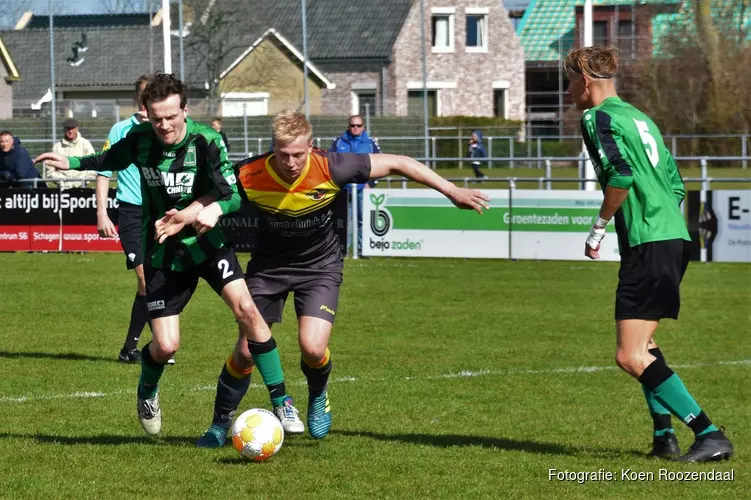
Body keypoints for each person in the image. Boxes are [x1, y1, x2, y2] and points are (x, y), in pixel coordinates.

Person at [155, 109, 490, 444]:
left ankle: (318, 396)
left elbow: (400, 162)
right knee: (244, 350)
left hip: (320, 268)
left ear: (311, 146)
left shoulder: (332, 166)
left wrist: (451, 190)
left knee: (313, 349)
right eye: (283, 154)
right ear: (273, 147)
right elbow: (214, 196)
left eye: (298, 154)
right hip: (269, 268)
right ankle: (218, 425)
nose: (290, 162)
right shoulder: (251, 173)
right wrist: (185, 216)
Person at [35, 73, 300, 441]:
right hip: (163, 249)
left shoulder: (207, 140)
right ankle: (146, 391)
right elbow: (111, 157)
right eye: (157, 117)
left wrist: (212, 210)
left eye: (171, 117)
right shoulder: (140, 140)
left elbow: (233, 193)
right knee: (165, 345)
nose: (164, 125)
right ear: (146, 113)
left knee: (248, 311)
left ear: (185, 110)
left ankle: (282, 400)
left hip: (207, 244)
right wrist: (72, 165)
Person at [566, 45, 734, 463]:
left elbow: (619, 175)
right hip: (674, 236)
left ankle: (708, 432)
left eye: (570, 82)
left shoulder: (595, 116)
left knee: (629, 354)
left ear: (585, 82)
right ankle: (663, 437)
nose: (570, 92)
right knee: (646, 344)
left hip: (649, 241)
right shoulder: (640, 117)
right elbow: (676, 183)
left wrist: (599, 227)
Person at [96, 75, 166, 364]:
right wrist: (102, 212)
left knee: (156, 281)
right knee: (145, 279)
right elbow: (103, 171)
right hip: (131, 211)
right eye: (147, 96)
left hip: (160, 212)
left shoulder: (165, 129)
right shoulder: (121, 129)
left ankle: (132, 348)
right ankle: (161, 342)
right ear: (140, 99)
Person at [329, 115, 380, 257]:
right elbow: (330, 163)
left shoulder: (371, 143)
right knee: (344, 221)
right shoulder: (338, 142)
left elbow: (380, 163)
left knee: (362, 219)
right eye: (352, 125)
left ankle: (362, 250)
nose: (355, 128)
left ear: (363, 126)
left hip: (361, 189)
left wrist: (370, 183)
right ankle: (344, 250)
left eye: (358, 125)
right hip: (343, 189)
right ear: (348, 126)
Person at [46, 118, 95, 189]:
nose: (70, 131)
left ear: (77, 129)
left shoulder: (85, 144)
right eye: (68, 129)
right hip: (62, 188)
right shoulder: (57, 147)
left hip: (81, 188)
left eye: (72, 128)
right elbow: (50, 170)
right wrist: (62, 182)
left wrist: (80, 181)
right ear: (64, 130)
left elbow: (93, 167)